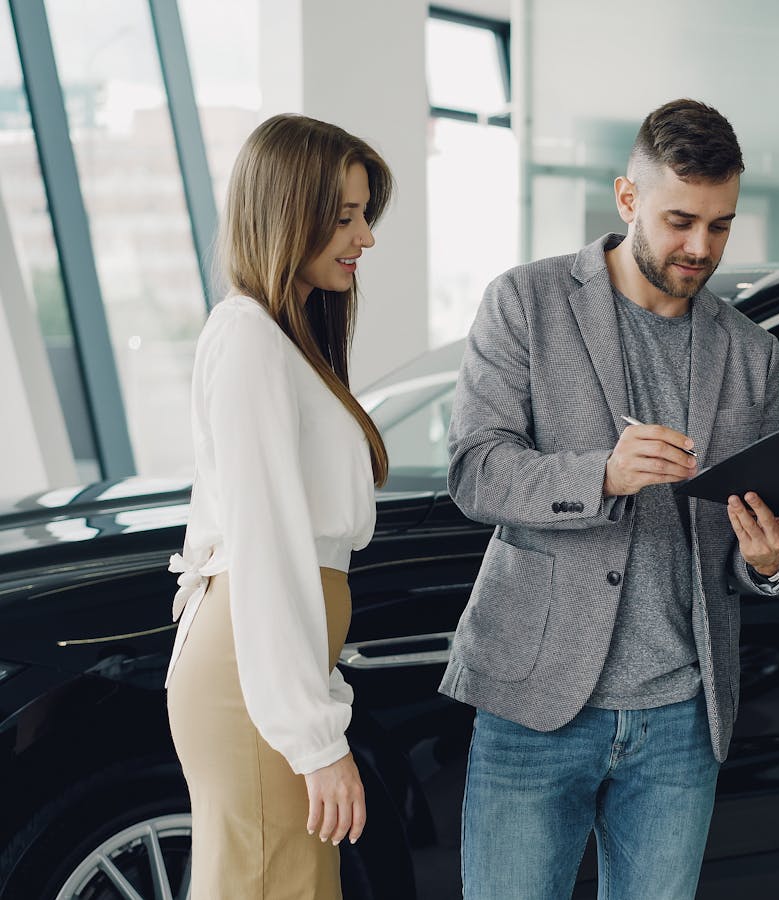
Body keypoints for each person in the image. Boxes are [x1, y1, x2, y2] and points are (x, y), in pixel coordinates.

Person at [441, 97, 779, 900]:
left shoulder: (752, 353)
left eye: (721, 225)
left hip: (681, 715)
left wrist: (770, 562)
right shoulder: (524, 303)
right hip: (537, 704)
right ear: (628, 197)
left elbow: (755, 535)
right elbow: (475, 471)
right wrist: (600, 474)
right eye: (680, 220)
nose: (700, 247)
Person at [166, 113, 392, 899]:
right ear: (285, 212)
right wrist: (315, 739)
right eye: (343, 217)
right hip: (252, 672)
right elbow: (266, 549)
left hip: (267, 665)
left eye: (365, 214)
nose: (364, 236)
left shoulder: (281, 339)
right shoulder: (251, 339)